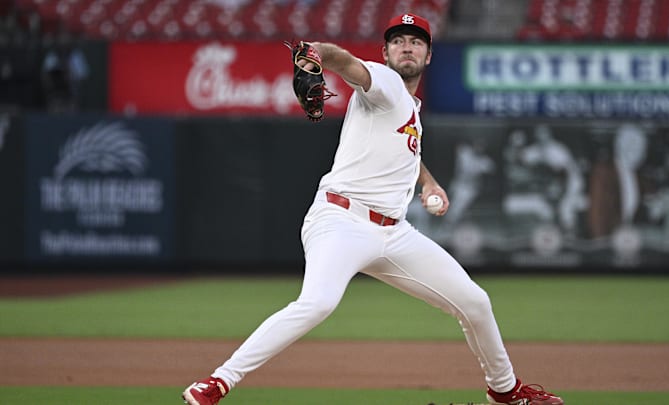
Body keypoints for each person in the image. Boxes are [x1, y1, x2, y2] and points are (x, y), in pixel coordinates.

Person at [182, 13, 563, 405]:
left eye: (416, 41)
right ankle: (216, 382)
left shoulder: (409, 109)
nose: (407, 47)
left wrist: (428, 181)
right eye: (398, 41)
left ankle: (504, 390)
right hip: (341, 221)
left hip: (393, 234)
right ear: (385, 52)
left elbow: (406, 153)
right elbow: (344, 61)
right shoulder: (384, 81)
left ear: (429, 55)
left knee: (475, 303)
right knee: (317, 303)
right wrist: (315, 53)